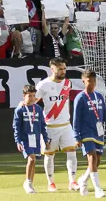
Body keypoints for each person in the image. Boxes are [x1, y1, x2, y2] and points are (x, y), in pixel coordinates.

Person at [35, 58, 79, 192]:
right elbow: (34, 100)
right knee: (49, 155)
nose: (63, 71)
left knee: (72, 152)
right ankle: (51, 183)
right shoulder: (43, 85)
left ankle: (72, 181)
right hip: (50, 126)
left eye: (64, 68)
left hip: (66, 125)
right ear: (52, 69)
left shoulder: (67, 83)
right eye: (60, 69)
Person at [73, 69, 106, 198]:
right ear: (83, 81)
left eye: (93, 81)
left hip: (98, 132)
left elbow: (103, 116)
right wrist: (76, 136)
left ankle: (83, 181)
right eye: (88, 81)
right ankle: (98, 189)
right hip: (86, 132)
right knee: (92, 157)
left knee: (97, 161)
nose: (91, 83)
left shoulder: (99, 96)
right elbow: (76, 119)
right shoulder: (80, 98)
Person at [13, 84, 51, 195]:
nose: (32, 98)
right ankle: (28, 183)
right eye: (29, 96)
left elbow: (43, 126)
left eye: (34, 96)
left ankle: (30, 183)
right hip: (25, 139)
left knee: (34, 161)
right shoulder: (20, 110)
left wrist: (46, 139)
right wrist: (18, 141)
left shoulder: (38, 109)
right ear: (24, 96)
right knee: (31, 159)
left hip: (36, 139)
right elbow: (16, 127)